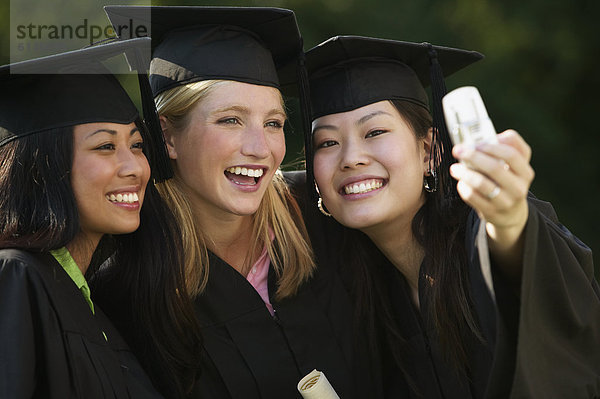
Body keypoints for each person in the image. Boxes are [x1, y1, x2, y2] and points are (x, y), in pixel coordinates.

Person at [299, 35, 600, 398]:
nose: (350, 157)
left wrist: (506, 219)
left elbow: (512, 252)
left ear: (430, 151)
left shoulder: (479, 224)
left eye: (375, 131)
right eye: (326, 143)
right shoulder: (356, 282)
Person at [102, 6, 364, 398]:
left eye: (273, 123)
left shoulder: (320, 217)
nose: (261, 148)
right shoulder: (128, 279)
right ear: (167, 137)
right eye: (230, 120)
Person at [0, 38, 200, 398]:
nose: (135, 168)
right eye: (106, 146)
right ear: (43, 166)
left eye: (137, 145)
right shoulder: (16, 276)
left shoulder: (88, 298)